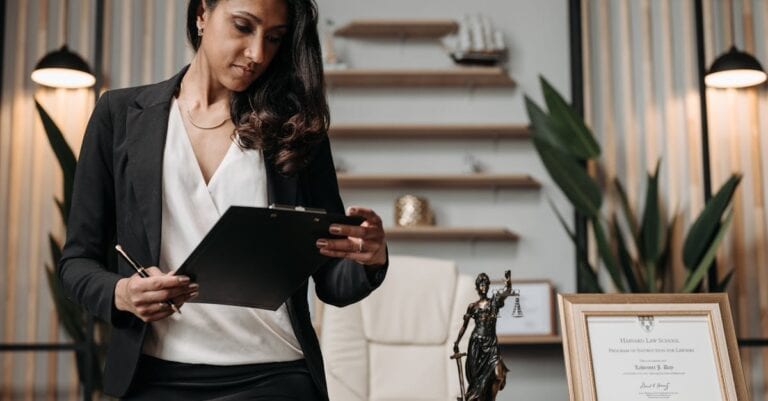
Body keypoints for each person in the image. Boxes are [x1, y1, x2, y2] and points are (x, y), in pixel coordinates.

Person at [57, 0, 388, 399]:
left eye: (274, 38)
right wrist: (121, 293)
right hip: (154, 378)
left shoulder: (295, 128)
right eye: (243, 27)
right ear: (201, 14)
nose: (257, 54)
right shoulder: (120, 114)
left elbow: (332, 282)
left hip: (274, 376)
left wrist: (370, 259)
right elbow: (76, 263)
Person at [453, 271, 512, 401]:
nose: (483, 286)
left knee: (498, 375)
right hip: (476, 345)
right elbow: (464, 326)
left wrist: (508, 284)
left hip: (491, 345)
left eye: (485, 283)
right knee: (477, 382)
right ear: (477, 287)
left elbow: (507, 292)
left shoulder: (494, 302)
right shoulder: (472, 307)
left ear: (488, 285)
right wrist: (456, 342)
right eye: (481, 284)